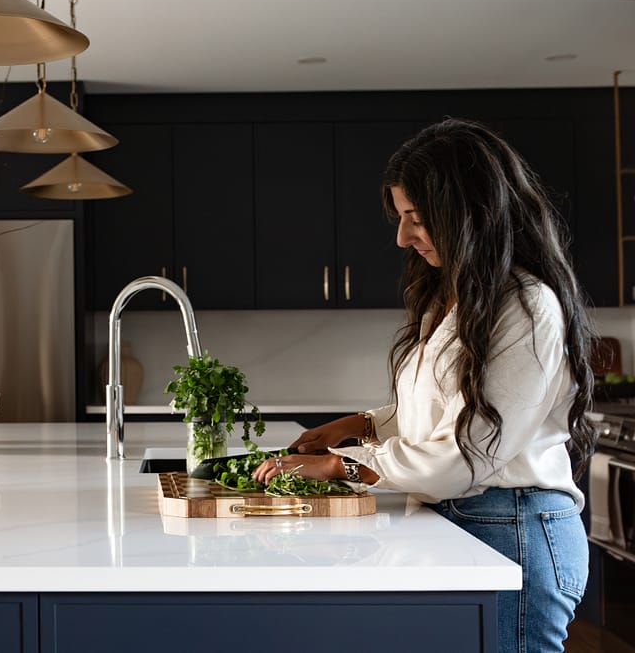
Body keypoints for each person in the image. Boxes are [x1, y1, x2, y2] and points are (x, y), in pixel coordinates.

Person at [252, 118, 595, 653]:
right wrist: (357, 425)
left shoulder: (526, 309)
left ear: (470, 211)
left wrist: (346, 464)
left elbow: (468, 451)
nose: (402, 236)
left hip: (513, 530)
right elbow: (439, 406)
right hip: (467, 519)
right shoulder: (455, 297)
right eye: (401, 216)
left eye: (417, 216)